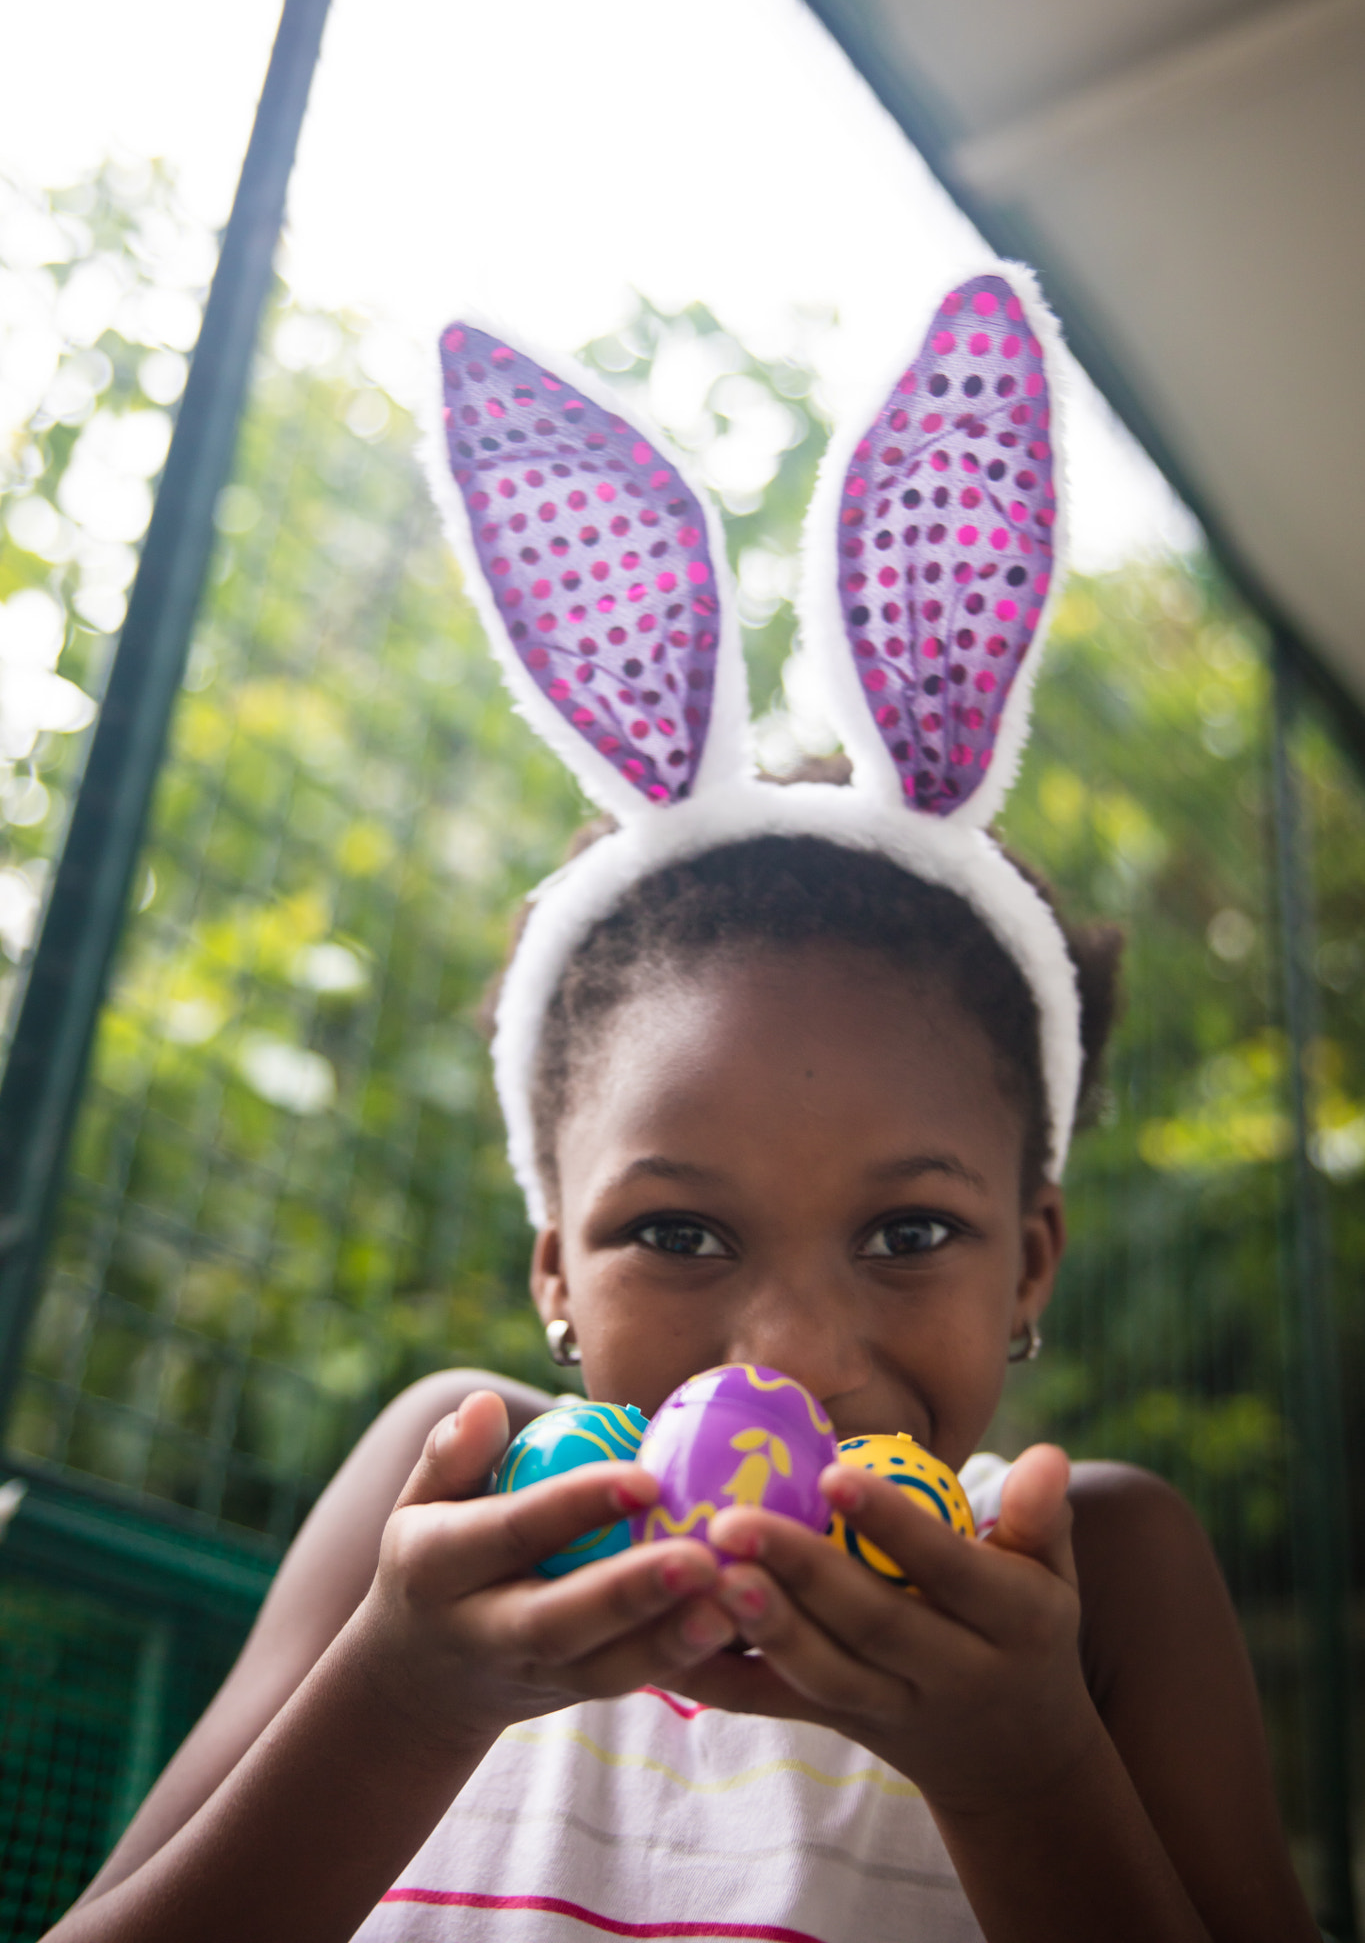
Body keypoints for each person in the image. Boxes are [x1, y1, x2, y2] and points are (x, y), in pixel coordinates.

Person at [46, 273, 1319, 1943]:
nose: (783, 1353)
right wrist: (406, 1703)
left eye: (910, 1231)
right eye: (677, 1231)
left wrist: (1022, 1771)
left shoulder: (1100, 1578)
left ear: (1028, 1263)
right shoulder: (452, 1494)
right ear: (554, 1272)